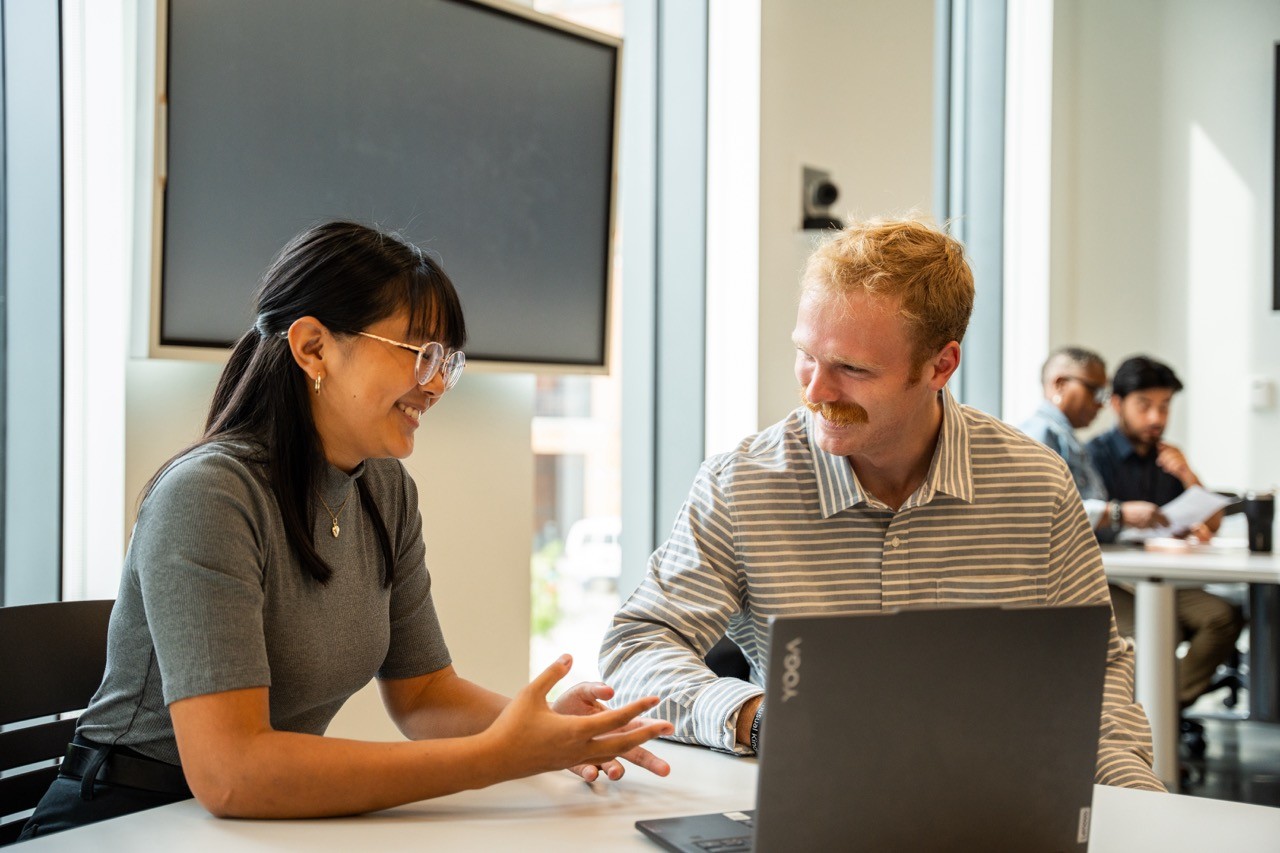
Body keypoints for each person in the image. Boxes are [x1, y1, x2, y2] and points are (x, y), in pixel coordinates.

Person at [19, 222, 672, 841]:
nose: (438, 381)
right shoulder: (210, 495)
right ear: (312, 347)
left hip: (254, 826)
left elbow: (422, 694)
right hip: (128, 821)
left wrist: (545, 730)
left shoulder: (384, 489)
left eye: (448, 359)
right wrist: (495, 757)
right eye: (420, 353)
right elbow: (232, 772)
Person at [600, 216, 1164, 791]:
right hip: (816, 801)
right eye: (806, 354)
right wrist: (761, 718)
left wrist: (1138, 806)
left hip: (991, 800)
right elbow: (637, 647)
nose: (815, 390)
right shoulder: (743, 483)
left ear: (940, 365)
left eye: (852, 368)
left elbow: (1094, 674)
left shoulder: (1035, 484)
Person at [1086, 355, 1244, 708]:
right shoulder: (1094, 457)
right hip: (1114, 580)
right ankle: (1154, 716)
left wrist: (1187, 474)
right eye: (1145, 406)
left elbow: (1213, 522)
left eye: (1165, 406)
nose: (1156, 418)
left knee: (1223, 616)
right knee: (1154, 633)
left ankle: (1161, 710)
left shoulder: (1169, 457)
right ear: (1117, 404)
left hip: (1166, 577)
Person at [1018, 347, 1167, 539]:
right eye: (1094, 390)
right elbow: (1039, 511)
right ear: (1060, 384)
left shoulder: (1063, 437)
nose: (1100, 403)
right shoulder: (1038, 434)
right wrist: (1117, 514)